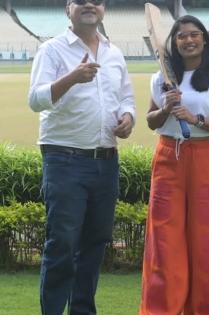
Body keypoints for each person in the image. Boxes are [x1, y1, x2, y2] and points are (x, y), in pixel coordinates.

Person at [28, 0, 135, 314]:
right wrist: (71, 77)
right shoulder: (52, 50)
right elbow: (35, 100)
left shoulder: (114, 53)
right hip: (65, 160)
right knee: (62, 244)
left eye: (97, 0)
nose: (90, 4)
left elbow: (126, 97)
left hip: (106, 160)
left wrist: (128, 118)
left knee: (94, 245)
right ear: (67, 8)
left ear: (104, 9)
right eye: (81, 0)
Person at [139, 15, 209, 315]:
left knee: (206, 238)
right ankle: (162, 309)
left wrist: (196, 119)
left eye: (194, 35)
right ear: (174, 42)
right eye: (182, 36)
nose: (189, 40)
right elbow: (151, 121)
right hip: (169, 156)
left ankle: (204, 309)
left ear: (204, 40)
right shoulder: (160, 79)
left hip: (206, 156)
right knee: (164, 238)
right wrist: (166, 107)